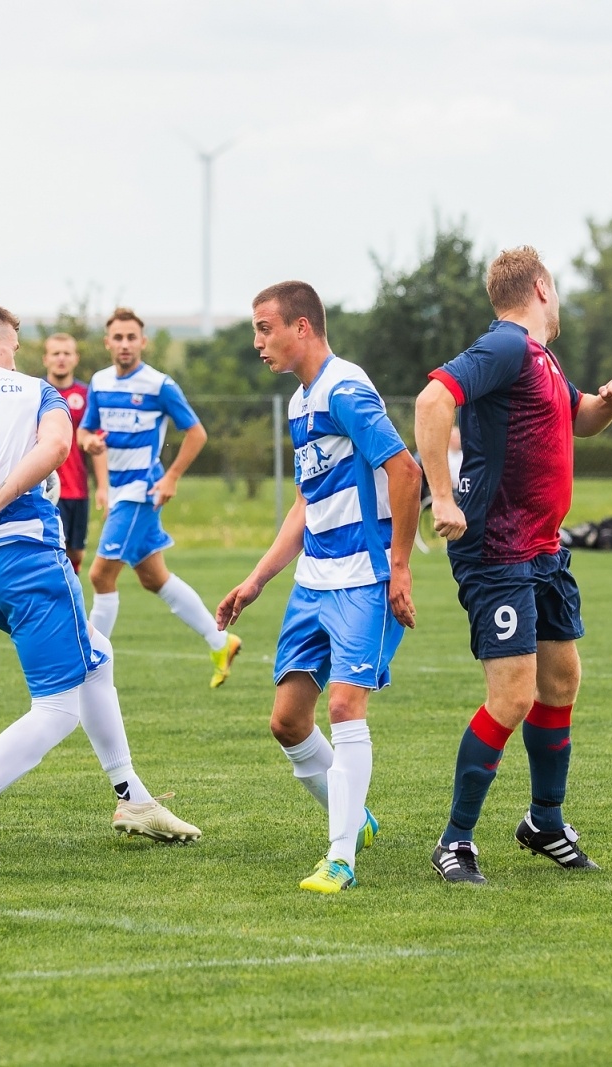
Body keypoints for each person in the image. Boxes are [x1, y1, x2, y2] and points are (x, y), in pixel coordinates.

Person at [0, 300, 200, 862]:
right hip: (30, 558)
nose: (18, 354)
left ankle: (132, 796)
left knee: (98, 655)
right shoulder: (34, 390)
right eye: (13, 343)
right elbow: (58, 448)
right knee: (57, 709)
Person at [415, 246, 612, 885]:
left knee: (561, 680)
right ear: (542, 287)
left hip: (542, 549)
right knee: (513, 694)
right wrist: (443, 494)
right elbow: (434, 400)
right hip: (498, 549)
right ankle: (454, 840)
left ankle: (543, 821)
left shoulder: (540, 359)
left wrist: (611, 401)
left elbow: (579, 417)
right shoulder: (507, 347)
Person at [216, 282, 421, 895]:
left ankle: (340, 857)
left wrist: (401, 566)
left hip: (364, 575)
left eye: (264, 328)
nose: (258, 343)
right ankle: (354, 816)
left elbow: (405, 471)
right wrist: (256, 580)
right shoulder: (300, 403)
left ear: (301, 327)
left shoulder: (346, 389)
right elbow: (309, 503)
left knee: (342, 706)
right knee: (287, 721)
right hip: (315, 579)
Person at [78, 308, 242, 687]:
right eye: (117, 338)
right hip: (119, 492)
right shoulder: (100, 383)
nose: (124, 344)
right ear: (107, 343)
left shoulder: (158, 385)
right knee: (154, 578)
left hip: (141, 491)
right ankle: (221, 641)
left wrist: (171, 477)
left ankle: (89, 662)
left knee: (101, 575)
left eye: (131, 337)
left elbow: (196, 433)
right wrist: (90, 442)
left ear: (143, 342)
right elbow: (85, 431)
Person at [42, 332, 101, 574]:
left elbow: (96, 442)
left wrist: (103, 487)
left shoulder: (86, 395)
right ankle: (58, 601)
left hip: (79, 488)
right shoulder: (37, 393)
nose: (61, 359)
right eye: (56, 353)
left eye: (67, 353)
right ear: (46, 359)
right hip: (49, 488)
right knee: (53, 550)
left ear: (76, 358)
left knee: (76, 552)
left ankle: (68, 594)